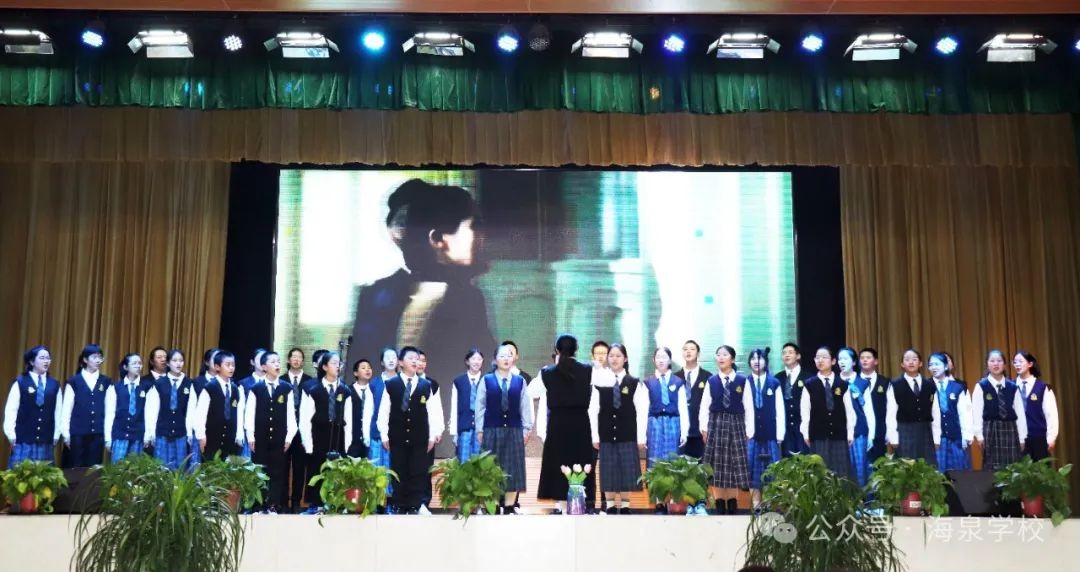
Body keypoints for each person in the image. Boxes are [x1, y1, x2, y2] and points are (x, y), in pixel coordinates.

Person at [348, 179, 496, 383]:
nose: (481, 237)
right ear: (437, 239)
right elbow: (356, 370)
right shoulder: (373, 296)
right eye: (473, 227)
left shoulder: (471, 299)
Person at [376, 346, 444, 515]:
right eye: (411, 358)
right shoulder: (391, 385)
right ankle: (399, 504)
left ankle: (415, 504)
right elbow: (384, 411)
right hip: (397, 437)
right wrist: (384, 435)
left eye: (417, 359)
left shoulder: (426, 385)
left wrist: (432, 436)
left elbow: (433, 413)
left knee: (417, 471)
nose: (415, 361)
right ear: (400, 363)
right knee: (399, 470)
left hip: (419, 438)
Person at [536, 335, 596, 514]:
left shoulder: (547, 372)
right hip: (580, 424)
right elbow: (608, 381)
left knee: (558, 462)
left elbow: (531, 391)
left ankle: (561, 506)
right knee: (580, 461)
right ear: (576, 350)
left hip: (557, 424)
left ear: (556, 350)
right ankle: (579, 505)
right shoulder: (588, 370)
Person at [475, 344, 533, 514]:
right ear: (495, 360)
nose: (506, 359)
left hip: (514, 431)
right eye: (502, 356)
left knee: (513, 469)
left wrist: (526, 428)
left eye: (509, 355)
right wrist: (480, 429)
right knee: (491, 468)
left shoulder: (520, 381)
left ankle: (509, 506)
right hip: (492, 430)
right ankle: (492, 506)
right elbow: (480, 406)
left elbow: (525, 407)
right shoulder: (486, 380)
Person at [589, 343, 645, 515]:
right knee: (608, 470)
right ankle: (611, 505)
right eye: (611, 356)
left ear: (625, 359)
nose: (614, 359)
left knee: (627, 470)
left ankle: (626, 505)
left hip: (627, 434)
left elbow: (641, 411)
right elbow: (593, 410)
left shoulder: (634, 382)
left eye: (618, 356)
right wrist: (595, 436)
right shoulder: (599, 381)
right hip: (606, 434)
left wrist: (641, 437)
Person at [699, 345, 751, 515]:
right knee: (717, 464)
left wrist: (749, 431)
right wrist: (704, 428)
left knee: (734, 464)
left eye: (725, 355)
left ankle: (733, 500)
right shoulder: (712, 381)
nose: (721, 357)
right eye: (718, 355)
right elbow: (704, 406)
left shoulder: (742, 381)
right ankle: (719, 501)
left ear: (732, 359)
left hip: (736, 424)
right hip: (716, 424)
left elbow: (749, 407)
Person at [299, 351, 353, 512]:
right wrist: (308, 444)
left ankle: (336, 503)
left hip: (338, 435)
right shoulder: (313, 390)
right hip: (318, 435)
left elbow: (349, 420)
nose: (338, 366)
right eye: (334, 363)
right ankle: (315, 504)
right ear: (324, 367)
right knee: (317, 469)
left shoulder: (345, 390)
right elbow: (305, 419)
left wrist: (347, 443)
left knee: (337, 471)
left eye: (339, 363)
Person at [244, 351, 297, 513]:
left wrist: (289, 437)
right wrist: (250, 436)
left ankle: (273, 505)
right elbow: (249, 414)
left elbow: (291, 416)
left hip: (280, 438)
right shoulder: (256, 388)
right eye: (273, 362)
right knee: (259, 471)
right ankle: (259, 505)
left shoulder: (286, 388)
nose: (277, 365)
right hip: (260, 438)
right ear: (264, 366)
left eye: (278, 361)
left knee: (277, 472)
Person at [800, 346, 859, 480]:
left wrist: (850, 432)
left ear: (833, 361)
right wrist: (806, 433)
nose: (820, 360)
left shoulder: (842, 384)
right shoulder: (809, 384)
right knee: (820, 474)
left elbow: (849, 411)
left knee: (841, 474)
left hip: (839, 435)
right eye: (817, 357)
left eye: (824, 357)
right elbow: (805, 412)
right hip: (818, 435)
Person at [644, 347, 689, 513]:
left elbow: (683, 408)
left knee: (673, 460)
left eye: (664, 357)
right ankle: (658, 501)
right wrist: (642, 435)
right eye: (658, 357)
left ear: (670, 360)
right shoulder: (648, 382)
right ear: (653, 360)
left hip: (673, 422)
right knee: (655, 462)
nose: (661, 360)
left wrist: (684, 431)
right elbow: (643, 410)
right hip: (654, 423)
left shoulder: (678, 382)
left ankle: (673, 500)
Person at [4, 346, 62, 466]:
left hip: (46, 439)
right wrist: (11, 434)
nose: (46, 361)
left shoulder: (54, 384)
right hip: (23, 439)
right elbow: (11, 410)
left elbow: (58, 412)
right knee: (20, 475)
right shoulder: (20, 382)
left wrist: (57, 433)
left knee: (45, 475)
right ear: (31, 361)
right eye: (42, 358)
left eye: (48, 358)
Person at [971, 350, 1027, 471]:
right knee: (992, 469)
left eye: (999, 361)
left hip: (1010, 429)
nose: (996, 364)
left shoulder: (1012, 387)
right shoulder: (981, 386)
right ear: (987, 364)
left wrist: (1022, 438)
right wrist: (979, 436)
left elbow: (1020, 414)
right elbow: (976, 413)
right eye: (992, 361)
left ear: (1005, 364)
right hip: (990, 430)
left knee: (1013, 468)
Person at [744, 348, 783, 510]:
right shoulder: (745, 382)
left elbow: (780, 409)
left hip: (770, 433)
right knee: (752, 470)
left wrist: (780, 434)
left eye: (759, 358)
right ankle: (756, 504)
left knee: (770, 470)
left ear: (766, 362)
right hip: (751, 435)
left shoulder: (774, 383)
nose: (756, 361)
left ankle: (769, 503)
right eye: (753, 358)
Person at [144, 349, 197, 470]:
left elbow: (191, 411)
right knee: (162, 469)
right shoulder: (159, 384)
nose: (178, 363)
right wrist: (150, 433)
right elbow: (152, 411)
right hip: (162, 432)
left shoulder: (189, 384)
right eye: (174, 360)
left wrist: (189, 432)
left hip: (181, 433)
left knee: (180, 470)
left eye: (181, 360)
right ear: (168, 363)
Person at [886, 348, 939, 467]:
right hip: (904, 430)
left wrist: (936, 438)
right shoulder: (895, 385)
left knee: (927, 467)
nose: (911, 362)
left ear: (920, 363)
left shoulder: (930, 385)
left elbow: (936, 413)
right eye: (907, 359)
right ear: (902, 364)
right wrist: (893, 437)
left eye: (914, 359)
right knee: (905, 469)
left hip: (925, 431)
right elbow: (890, 414)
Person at [62, 344, 112, 468]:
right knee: (76, 469)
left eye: (100, 357)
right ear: (85, 359)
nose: (98, 360)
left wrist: (108, 435)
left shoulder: (106, 382)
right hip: (77, 433)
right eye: (94, 357)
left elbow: (109, 411)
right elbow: (66, 410)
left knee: (93, 471)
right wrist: (66, 434)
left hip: (98, 434)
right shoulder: (74, 381)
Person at [195, 351, 246, 461]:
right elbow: (200, 414)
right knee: (210, 466)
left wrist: (239, 435)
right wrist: (201, 436)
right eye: (227, 365)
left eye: (233, 365)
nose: (231, 368)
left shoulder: (236, 389)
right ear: (217, 367)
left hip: (230, 439)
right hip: (211, 438)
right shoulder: (209, 388)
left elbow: (239, 414)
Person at [104, 353, 154, 463]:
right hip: (119, 435)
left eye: (140, 363)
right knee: (117, 468)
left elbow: (149, 413)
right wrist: (108, 438)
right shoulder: (115, 387)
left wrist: (148, 434)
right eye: (134, 363)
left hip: (138, 435)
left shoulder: (147, 387)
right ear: (126, 367)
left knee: (135, 468)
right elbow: (110, 413)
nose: (138, 366)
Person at [928, 352, 972, 472]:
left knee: (958, 474)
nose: (934, 367)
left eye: (937, 364)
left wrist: (967, 436)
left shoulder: (958, 387)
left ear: (946, 366)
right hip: (935, 440)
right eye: (931, 365)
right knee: (937, 474)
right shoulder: (926, 386)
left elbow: (964, 413)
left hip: (955, 438)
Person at [1013, 351, 1058, 461]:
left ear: (1030, 364)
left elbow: (1051, 414)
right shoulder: (1010, 387)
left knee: (1040, 470)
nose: (1017, 364)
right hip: (1016, 439)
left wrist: (1051, 437)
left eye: (1020, 361)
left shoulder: (1043, 387)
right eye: (1015, 362)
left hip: (1039, 438)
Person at [839, 347, 874, 487]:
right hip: (840, 432)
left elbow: (868, 410)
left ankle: (862, 498)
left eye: (845, 359)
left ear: (854, 362)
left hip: (859, 431)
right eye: (840, 359)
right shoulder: (834, 382)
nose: (842, 362)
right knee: (842, 471)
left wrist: (871, 435)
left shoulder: (863, 383)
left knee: (860, 470)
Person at [284, 347, 312, 512]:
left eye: (299, 357)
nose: (296, 359)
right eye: (293, 357)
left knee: (300, 467)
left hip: (302, 430)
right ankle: (282, 501)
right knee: (283, 465)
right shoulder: (281, 380)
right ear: (288, 360)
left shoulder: (309, 382)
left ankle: (296, 501)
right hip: (285, 429)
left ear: (303, 361)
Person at [675, 339, 711, 461]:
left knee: (700, 468)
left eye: (692, 349)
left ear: (698, 353)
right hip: (679, 432)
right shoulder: (675, 377)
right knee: (679, 467)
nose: (688, 351)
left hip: (700, 432)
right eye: (685, 349)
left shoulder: (708, 377)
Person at [449, 348, 485, 463]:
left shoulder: (487, 380)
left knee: (480, 463)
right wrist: (454, 432)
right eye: (473, 359)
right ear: (467, 361)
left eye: (479, 359)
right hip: (464, 427)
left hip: (482, 430)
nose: (476, 362)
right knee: (464, 463)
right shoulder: (458, 381)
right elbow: (454, 407)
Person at [859, 347, 890, 463]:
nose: (864, 360)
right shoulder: (854, 382)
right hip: (860, 433)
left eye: (868, 357)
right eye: (862, 358)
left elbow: (890, 409)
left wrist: (889, 432)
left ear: (876, 361)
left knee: (879, 466)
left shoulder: (885, 382)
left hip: (880, 432)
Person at [776, 343, 807, 457]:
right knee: (786, 462)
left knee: (806, 461)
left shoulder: (808, 377)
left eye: (790, 352)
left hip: (803, 427)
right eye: (784, 353)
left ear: (798, 356)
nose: (787, 355)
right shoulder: (777, 378)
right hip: (785, 428)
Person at [346, 359, 375, 460]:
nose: (367, 370)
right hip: (352, 438)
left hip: (370, 438)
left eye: (369, 368)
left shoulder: (374, 390)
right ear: (355, 373)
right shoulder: (348, 391)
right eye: (363, 368)